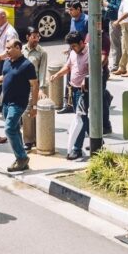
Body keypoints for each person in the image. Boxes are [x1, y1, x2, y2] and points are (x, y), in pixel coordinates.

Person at [0, 39, 38, 173]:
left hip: (18, 103)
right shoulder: (7, 62)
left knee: (8, 129)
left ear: (18, 48)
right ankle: (21, 161)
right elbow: (4, 77)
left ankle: (21, 158)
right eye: (6, 48)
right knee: (14, 129)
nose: (6, 51)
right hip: (6, 103)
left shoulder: (27, 65)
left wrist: (34, 106)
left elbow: (35, 85)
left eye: (9, 48)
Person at [48, 32, 89, 160]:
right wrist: (57, 75)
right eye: (71, 47)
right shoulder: (72, 52)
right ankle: (96, 139)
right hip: (74, 89)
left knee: (80, 119)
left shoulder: (90, 53)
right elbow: (68, 67)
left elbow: (94, 71)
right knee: (83, 118)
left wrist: (85, 81)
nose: (74, 49)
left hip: (85, 91)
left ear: (82, 43)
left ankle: (77, 148)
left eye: (75, 46)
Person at [21, 27, 47, 149]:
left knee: (31, 111)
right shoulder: (21, 50)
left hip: (34, 86)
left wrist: (41, 88)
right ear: (27, 37)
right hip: (22, 85)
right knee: (25, 113)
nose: (36, 39)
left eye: (38, 36)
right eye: (34, 36)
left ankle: (30, 140)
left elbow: (42, 71)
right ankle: (29, 139)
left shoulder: (42, 52)